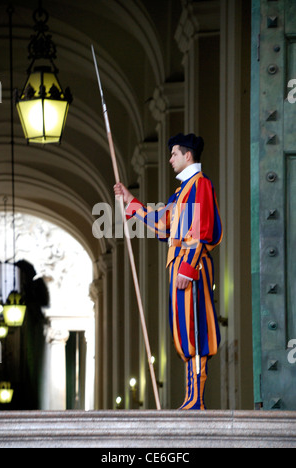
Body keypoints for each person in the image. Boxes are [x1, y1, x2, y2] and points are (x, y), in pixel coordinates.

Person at [114, 133, 223, 410]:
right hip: (180, 266)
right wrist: (131, 202)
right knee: (185, 332)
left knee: (196, 329)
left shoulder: (200, 185)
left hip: (192, 265)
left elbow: (201, 229)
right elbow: (163, 224)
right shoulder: (181, 191)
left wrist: (187, 266)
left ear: (188, 156)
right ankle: (191, 396)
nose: (170, 159)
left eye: (174, 153)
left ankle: (196, 398)